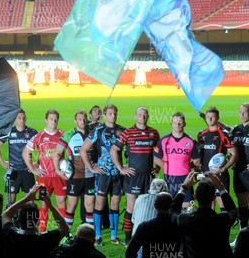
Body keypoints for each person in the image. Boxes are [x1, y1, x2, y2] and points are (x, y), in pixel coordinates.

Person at [110, 106, 160, 243]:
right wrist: (121, 168)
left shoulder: (154, 133)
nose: (142, 117)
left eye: (145, 115)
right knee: (131, 206)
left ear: (148, 116)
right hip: (133, 176)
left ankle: (147, 236)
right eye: (140, 115)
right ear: (135, 116)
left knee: (150, 207)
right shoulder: (128, 133)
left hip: (148, 177)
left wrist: (158, 167)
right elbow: (114, 150)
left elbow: (159, 153)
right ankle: (128, 239)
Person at [81, 104, 126, 246]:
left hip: (117, 173)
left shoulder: (123, 131)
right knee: (99, 204)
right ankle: (98, 235)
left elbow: (130, 151)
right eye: (110, 113)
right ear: (105, 115)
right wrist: (92, 168)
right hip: (103, 173)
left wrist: (125, 165)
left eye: (115, 113)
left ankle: (113, 236)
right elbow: (84, 150)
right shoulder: (98, 130)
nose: (113, 116)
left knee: (115, 203)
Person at [23, 109, 66, 233]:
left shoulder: (63, 135)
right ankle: (42, 231)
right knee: (43, 204)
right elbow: (26, 152)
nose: (53, 121)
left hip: (59, 176)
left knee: (61, 202)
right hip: (44, 177)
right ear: (46, 120)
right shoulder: (39, 136)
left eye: (55, 119)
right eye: (51, 119)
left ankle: (63, 231)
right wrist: (32, 168)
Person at [55, 109, 96, 227]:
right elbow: (57, 153)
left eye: (84, 119)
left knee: (90, 206)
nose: (82, 121)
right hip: (75, 176)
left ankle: (90, 234)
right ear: (75, 120)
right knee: (71, 206)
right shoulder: (69, 134)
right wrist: (58, 170)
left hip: (90, 176)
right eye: (79, 119)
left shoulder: (92, 134)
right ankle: (67, 235)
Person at [154, 112, 200, 208]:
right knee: (167, 207)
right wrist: (169, 167)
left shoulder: (191, 141)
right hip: (169, 178)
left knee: (187, 208)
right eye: (175, 123)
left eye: (180, 122)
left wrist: (184, 165)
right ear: (171, 124)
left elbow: (197, 160)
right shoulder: (164, 140)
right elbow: (156, 158)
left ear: (184, 124)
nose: (177, 125)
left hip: (186, 178)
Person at [0, 108, 38, 207]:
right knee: (10, 203)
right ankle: (10, 222)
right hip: (13, 171)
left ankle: (28, 222)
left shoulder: (32, 132)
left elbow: (42, 148)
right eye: (19, 118)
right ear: (14, 119)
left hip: (27, 171)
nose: (22, 120)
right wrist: (2, 162)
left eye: (23, 118)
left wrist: (37, 163)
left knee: (30, 202)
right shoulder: (9, 132)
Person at [196, 106, 238, 210]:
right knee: (207, 207)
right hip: (205, 175)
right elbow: (200, 154)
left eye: (212, 117)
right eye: (208, 117)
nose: (210, 119)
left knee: (223, 206)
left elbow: (235, 154)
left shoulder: (224, 134)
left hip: (220, 175)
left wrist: (223, 169)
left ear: (218, 118)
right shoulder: (201, 135)